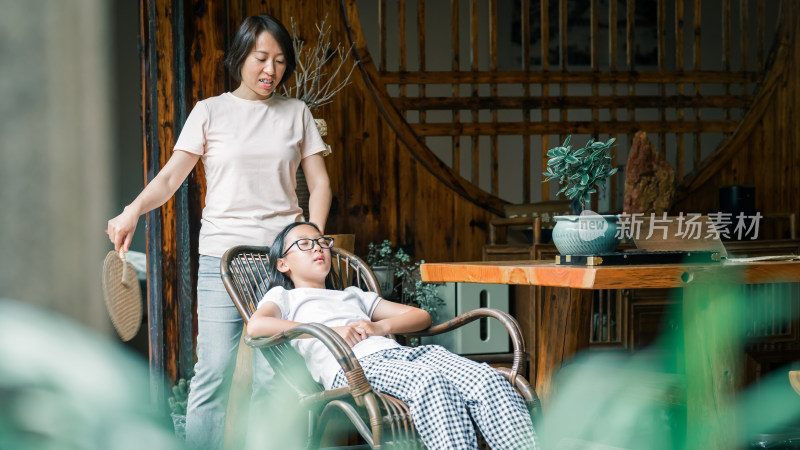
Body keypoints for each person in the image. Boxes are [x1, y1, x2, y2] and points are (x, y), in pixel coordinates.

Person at [105, 14, 332, 450]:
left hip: (280, 260)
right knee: (213, 372)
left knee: (275, 374)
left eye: (281, 61)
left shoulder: (296, 112)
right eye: (261, 58)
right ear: (240, 57)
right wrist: (132, 210)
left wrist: (310, 238)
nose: (271, 70)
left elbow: (319, 183)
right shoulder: (210, 111)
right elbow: (171, 179)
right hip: (221, 260)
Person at [248, 222, 537, 450]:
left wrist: (379, 327)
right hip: (354, 367)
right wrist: (333, 331)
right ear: (283, 264)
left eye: (323, 242)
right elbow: (256, 327)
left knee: (487, 379)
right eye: (305, 244)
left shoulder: (352, 296)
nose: (318, 247)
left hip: (403, 355)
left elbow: (420, 316)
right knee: (430, 383)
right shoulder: (285, 296)